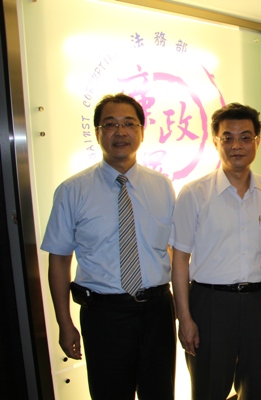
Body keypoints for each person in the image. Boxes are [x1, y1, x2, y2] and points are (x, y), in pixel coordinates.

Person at [41, 93, 177, 399]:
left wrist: (182, 311)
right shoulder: (72, 191)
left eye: (129, 124)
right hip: (104, 315)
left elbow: (172, 252)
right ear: (98, 132)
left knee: (161, 393)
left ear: (142, 130)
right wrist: (64, 323)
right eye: (110, 124)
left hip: (157, 310)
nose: (120, 132)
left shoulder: (162, 185)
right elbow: (59, 261)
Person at [171, 103, 261, 400]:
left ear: (257, 141)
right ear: (215, 141)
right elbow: (179, 259)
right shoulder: (194, 193)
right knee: (209, 390)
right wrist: (185, 318)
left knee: (256, 388)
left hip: (258, 304)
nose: (236, 146)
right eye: (227, 138)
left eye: (245, 137)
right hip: (209, 306)